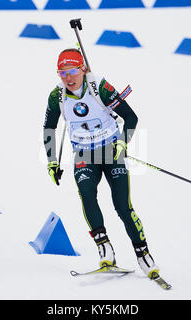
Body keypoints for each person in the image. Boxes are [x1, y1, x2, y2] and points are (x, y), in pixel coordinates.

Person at [43, 48, 161, 280]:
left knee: (122, 207)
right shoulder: (57, 96)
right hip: (84, 155)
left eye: (73, 70)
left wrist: (123, 143)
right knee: (87, 195)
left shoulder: (100, 88)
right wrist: (52, 162)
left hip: (110, 151)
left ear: (82, 69)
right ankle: (104, 246)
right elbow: (49, 128)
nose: (68, 77)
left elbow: (131, 117)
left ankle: (143, 253)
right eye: (62, 72)